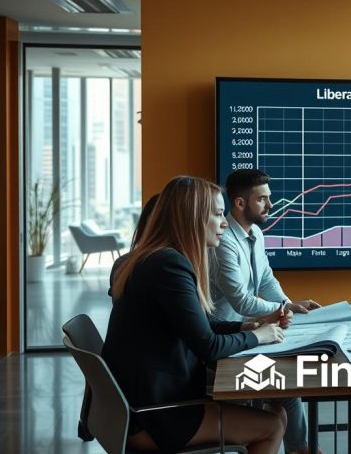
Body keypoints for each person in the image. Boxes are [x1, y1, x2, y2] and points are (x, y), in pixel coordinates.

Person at [101, 175, 289, 454]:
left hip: (144, 403)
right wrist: (258, 336)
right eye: (217, 214)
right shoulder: (169, 265)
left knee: (277, 414)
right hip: (158, 415)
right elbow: (208, 346)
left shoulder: (155, 258)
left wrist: (245, 327)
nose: (225, 222)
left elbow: (197, 324)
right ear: (193, 219)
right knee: (273, 424)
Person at [211, 168, 322, 454]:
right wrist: (285, 308)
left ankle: (299, 448)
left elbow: (266, 280)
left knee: (289, 391)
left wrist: (287, 306)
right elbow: (242, 301)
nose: (271, 205)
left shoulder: (256, 233)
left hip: (247, 331)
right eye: (262, 199)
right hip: (225, 340)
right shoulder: (223, 241)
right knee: (286, 389)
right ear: (240, 203)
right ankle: (299, 449)